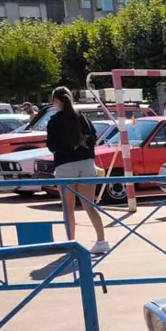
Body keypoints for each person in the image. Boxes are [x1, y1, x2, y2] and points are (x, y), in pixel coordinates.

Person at [45, 88, 109, 254]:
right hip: (87, 163)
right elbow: (93, 138)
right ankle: (101, 240)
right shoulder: (83, 117)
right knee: (89, 205)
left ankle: (71, 242)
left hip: (65, 165)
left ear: (56, 101)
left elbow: (51, 146)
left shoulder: (54, 121)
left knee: (68, 208)